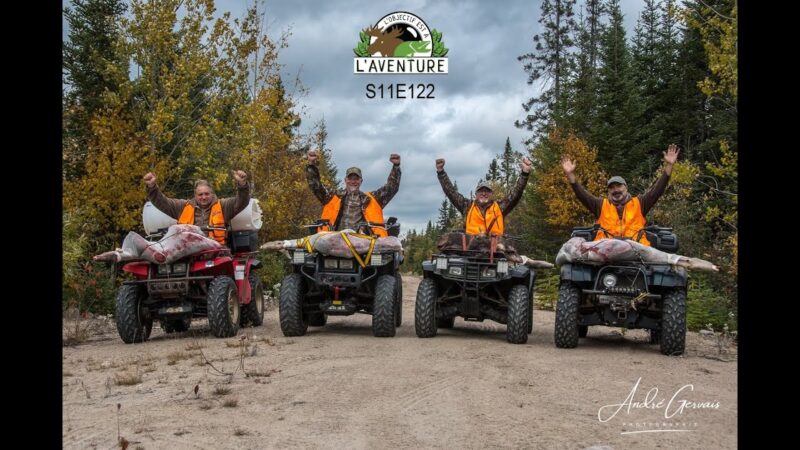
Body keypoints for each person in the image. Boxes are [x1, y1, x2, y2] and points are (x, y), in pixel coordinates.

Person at [560, 143, 680, 245]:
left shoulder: (640, 203)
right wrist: (570, 175)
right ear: (608, 191)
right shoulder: (600, 205)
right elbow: (582, 195)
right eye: (612, 188)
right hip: (606, 253)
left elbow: (657, 190)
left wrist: (669, 166)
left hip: (636, 253)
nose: (616, 190)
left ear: (626, 187)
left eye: (619, 186)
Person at [306, 150, 401, 237]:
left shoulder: (372, 199)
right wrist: (311, 165)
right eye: (350, 178)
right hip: (334, 241)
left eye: (356, 179)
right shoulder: (332, 197)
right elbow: (315, 186)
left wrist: (396, 167)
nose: (353, 181)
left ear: (361, 181)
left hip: (364, 242)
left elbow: (391, 188)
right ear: (345, 180)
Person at [142, 170, 250, 245]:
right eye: (200, 194)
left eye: (206, 194)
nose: (203, 197)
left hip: (216, 250)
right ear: (195, 195)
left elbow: (242, 201)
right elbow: (162, 202)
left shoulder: (224, 205)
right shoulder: (182, 206)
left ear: (212, 194)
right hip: (188, 249)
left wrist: (242, 184)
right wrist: (152, 187)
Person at [435, 156, 532, 235]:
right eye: (481, 191)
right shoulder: (467, 206)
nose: (484, 193)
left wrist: (525, 174)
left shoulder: (500, 207)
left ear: (491, 194)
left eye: (487, 191)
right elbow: (451, 192)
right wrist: (441, 172)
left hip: (495, 249)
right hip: (470, 248)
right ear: (476, 194)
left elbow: (516, 193)